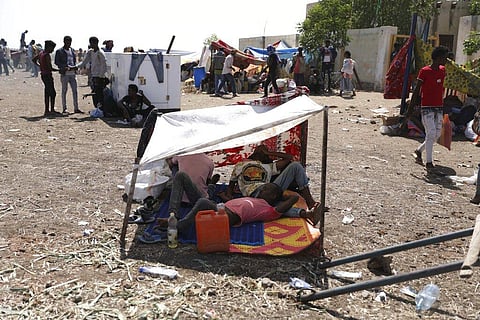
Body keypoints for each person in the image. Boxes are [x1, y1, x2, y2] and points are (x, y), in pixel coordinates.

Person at [164, 172, 313, 233]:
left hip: (225, 216)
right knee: (181, 176)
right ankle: (173, 215)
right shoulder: (254, 199)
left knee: (203, 202)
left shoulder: (268, 209)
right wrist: (225, 198)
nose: (261, 189)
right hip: (219, 207)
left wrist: (286, 195)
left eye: (266, 189)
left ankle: (179, 226)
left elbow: (292, 200)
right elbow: (234, 203)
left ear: (273, 196)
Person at [222, 145, 321, 217]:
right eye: (260, 149)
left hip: (271, 188)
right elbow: (231, 185)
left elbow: (289, 158)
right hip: (255, 194)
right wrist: (228, 196)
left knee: (296, 166)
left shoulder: (268, 166)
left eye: (264, 150)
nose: (262, 150)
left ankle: (310, 202)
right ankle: (304, 214)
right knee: (273, 207)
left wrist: (269, 153)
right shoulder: (240, 165)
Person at [411, 46, 449, 171]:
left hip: (438, 107)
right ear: (438, 58)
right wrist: (411, 107)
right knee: (431, 133)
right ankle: (429, 162)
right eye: (444, 57)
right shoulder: (424, 71)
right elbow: (417, 90)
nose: (446, 60)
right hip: (426, 107)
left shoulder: (443, 70)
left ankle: (419, 150)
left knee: (436, 134)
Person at [75, 37, 108, 113]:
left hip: (99, 77)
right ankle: (97, 109)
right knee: (95, 94)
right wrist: (75, 67)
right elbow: (84, 62)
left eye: (92, 43)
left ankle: (100, 110)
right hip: (94, 76)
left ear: (96, 43)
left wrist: (100, 77)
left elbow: (104, 66)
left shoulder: (100, 53)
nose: (91, 44)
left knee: (99, 94)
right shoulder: (90, 52)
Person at [55, 36, 82, 114]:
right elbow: (57, 62)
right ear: (64, 41)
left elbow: (74, 61)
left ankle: (76, 108)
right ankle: (64, 108)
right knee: (64, 91)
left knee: (75, 91)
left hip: (72, 73)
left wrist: (75, 68)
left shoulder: (72, 50)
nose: (69, 43)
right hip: (65, 73)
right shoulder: (59, 51)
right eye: (67, 41)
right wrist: (64, 67)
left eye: (70, 42)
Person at [32, 40, 59, 116]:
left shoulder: (41, 53)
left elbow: (34, 60)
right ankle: (52, 110)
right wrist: (59, 70)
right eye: (52, 48)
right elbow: (50, 68)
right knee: (53, 93)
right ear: (48, 47)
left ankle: (47, 110)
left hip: (43, 75)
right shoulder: (46, 55)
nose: (53, 50)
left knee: (47, 92)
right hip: (47, 75)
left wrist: (40, 66)